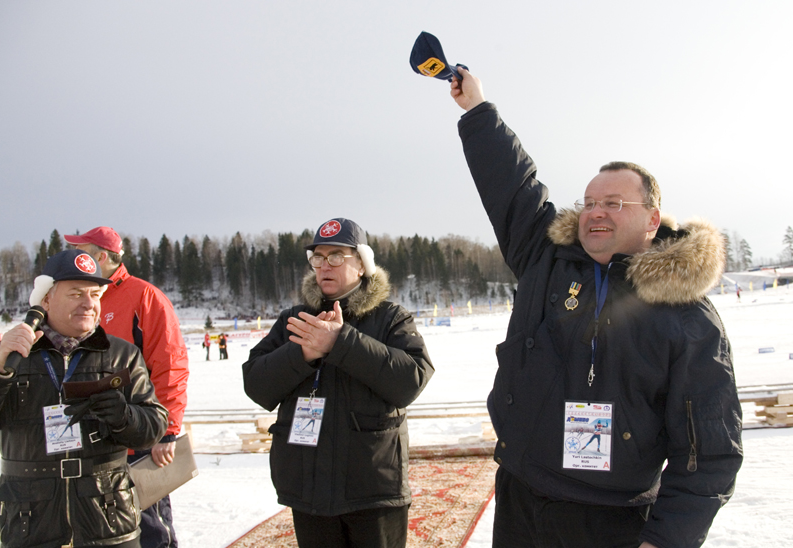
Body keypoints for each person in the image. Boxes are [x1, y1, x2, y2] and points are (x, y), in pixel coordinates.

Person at [447, 68, 743, 548]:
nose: (595, 212)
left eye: (613, 202)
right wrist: (479, 112)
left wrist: (667, 539)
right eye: (587, 202)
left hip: (611, 518)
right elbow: (513, 186)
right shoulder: (546, 260)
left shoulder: (687, 315)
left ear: (651, 219)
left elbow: (709, 450)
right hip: (522, 496)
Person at [242, 217, 434, 548]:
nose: (324, 265)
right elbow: (256, 384)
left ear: (361, 264)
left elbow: (410, 380)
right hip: (309, 487)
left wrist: (341, 343)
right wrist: (302, 355)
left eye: (336, 256)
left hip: (373, 490)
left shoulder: (391, 318)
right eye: (318, 257)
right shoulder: (294, 320)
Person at [0, 249, 168, 548]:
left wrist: (125, 416)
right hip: (30, 522)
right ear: (46, 299)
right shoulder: (12, 354)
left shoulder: (123, 354)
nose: (89, 304)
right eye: (75, 294)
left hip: (109, 518)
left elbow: (154, 427)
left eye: (95, 294)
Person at [65, 227, 189, 548]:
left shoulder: (144, 297)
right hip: (94, 444)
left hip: (139, 439)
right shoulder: (85, 299)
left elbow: (170, 365)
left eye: (83, 251)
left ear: (102, 256)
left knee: (150, 530)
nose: (77, 258)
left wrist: (167, 431)